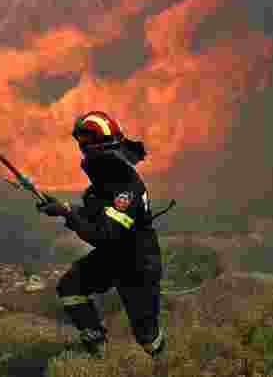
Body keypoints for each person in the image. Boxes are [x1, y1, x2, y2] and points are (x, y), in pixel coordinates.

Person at [36, 111, 166, 360]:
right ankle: (100, 352)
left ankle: (166, 364)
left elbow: (104, 235)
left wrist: (67, 214)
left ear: (94, 146)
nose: (81, 150)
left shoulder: (125, 188)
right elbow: (95, 214)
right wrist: (65, 208)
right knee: (70, 287)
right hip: (114, 257)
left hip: (137, 265)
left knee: (147, 339)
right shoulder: (108, 178)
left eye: (83, 143)